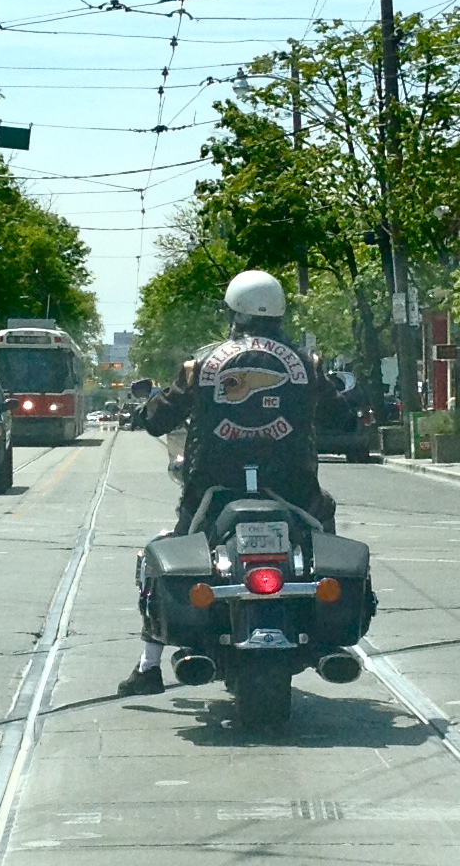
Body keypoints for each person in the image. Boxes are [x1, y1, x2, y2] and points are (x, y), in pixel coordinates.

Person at [118, 269, 335, 696]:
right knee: (323, 541)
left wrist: (148, 409)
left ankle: (149, 666)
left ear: (234, 313)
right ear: (279, 314)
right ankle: (326, 631)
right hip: (293, 488)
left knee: (167, 556)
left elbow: (159, 418)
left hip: (212, 490)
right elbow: (339, 415)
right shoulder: (307, 365)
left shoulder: (201, 366)